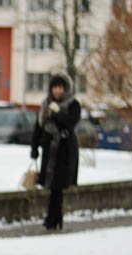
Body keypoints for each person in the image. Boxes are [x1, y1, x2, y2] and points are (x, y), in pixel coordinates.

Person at [31, 73, 81, 230]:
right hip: (49, 149)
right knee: (51, 186)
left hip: (65, 151)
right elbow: (38, 127)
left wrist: (58, 113)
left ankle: (53, 219)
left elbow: (70, 123)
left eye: (60, 87)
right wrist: (34, 148)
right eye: (55, 87)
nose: (57, 91)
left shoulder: (73, 104)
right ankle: (54, 218)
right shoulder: (46, 104)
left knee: (58, 186)